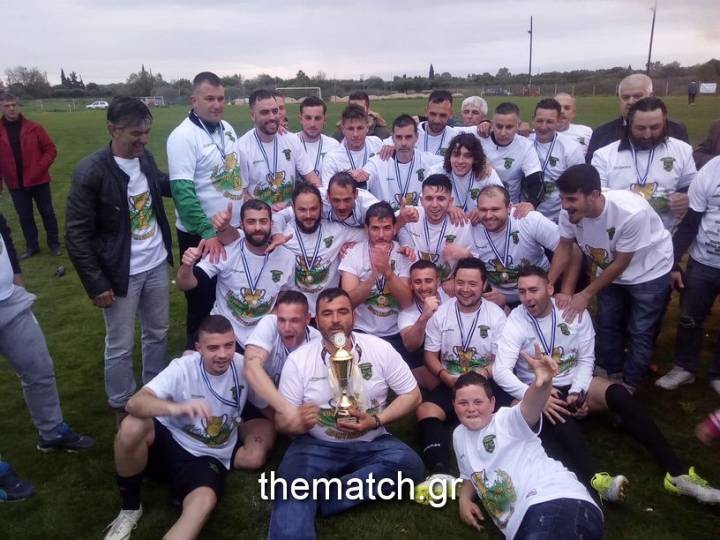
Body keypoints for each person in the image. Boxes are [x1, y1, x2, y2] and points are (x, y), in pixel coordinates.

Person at [494, 266, 720, 506]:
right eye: (521, 292)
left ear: (549, 289)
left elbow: (586, 359)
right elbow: (500, 371)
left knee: (619, 394)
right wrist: (537, 395)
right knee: (560, 416)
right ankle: (598, 481)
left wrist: (578, 391)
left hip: (576, 381)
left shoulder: (573, 311)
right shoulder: (516, 320)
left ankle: (676, 474)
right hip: (540, 387)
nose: (527, 298)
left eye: (533, 290)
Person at [268, 288, 423, 539]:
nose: (335, 320)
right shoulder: (299, 360)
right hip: (316, 444)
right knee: (292, 485)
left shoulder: (380, 349)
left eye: (342, 312)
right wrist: (296, 423)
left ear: (354, 316)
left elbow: (413, 395)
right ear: (316, 321)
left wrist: (376, 420)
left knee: (409, 465)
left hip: (372, 441)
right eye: (327, 313)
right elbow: (281, 422)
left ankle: (328, 497)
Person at [103, 315, 262, 540]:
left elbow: (266, 403)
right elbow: (134, 403)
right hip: (171, 440)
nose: (223, 354)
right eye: (213, 348)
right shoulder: (183, 367)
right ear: (198, 348)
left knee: (204, 503)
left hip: (207, 456)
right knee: (132, 426)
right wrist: (177, 408)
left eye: (228, 345)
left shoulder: (243, 365)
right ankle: (130, 508)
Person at [66, 97, 173, 418]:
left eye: (146, 132)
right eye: (135, 134)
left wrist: (187, 182)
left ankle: (153, 390)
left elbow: (159, 183)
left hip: (156, 264)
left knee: (157, 333)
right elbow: (76, 234)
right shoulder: (91, 172)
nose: (143, 140)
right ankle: (122, 404)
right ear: (113, 130)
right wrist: (96, 283)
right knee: (120, 345)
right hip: (120, 272)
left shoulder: (144, 157)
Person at [549, 164, 673, 391]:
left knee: (640, 329)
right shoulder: (570, 212)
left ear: (594, 195)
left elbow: (621, 263)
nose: (565, 205)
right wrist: (548, 283)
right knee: (607, 323)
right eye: (562, 199)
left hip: (649, 270)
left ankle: (630, 384)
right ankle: (610, 372)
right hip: (607, 267)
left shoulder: (631, 213)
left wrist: (586, 294)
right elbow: (565, 247)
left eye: (572, 199)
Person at [452, 367, 604, 539]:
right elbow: (470, 475)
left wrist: (542, 383)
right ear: (454, 405)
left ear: (492, 403)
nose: (471, 408)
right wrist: (464, 500)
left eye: (478, 402)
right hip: (524, 522)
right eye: (463, 403)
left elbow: (530, 407)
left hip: (553, 499)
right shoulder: (459, 436)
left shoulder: (505, 420)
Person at [1, 213, 94, 452]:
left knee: (39, 367)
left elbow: (3, 233)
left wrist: (16, 276)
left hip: (9, 299)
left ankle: (51, 432)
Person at [416, 257, 507, 502]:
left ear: (484, 285)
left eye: (473, 284)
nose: (465, 289)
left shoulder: (496, 316)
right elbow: (430, 356)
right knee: (426, 410)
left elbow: (501, 359)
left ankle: (499, 467)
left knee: (511, 411)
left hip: (486, 382)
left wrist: (483, 375)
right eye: (460, 283)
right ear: (453, 282)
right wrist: (445, 376)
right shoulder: (441, 313)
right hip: (451, 381)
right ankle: (440, 471)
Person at [167, 72, 244, 345]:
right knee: (202, 303)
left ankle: (229, 353)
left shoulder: (227, 128)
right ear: (194, 100)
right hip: (201, 235)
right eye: (209, 99)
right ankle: (195, 355)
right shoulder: (183, 136)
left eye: (221, 98)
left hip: (232, 232)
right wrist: (207, 232)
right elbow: (182, 193)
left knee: (230, 296)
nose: (217, 104)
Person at [176, 199, 295, 352]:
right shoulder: (227, 251)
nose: (258, 227)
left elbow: (284, 296)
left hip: (260, 335)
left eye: (263, 221)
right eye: (251, 222)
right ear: (242, 225)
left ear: (271, 224)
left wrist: (269, 325)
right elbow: (184, 285)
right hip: (222, 329)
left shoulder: (287, 258)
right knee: (189, 359)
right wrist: (187, 266)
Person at [449, 185, 577, 309]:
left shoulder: (527, 219)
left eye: (495, 209)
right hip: (498, 300)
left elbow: (574, 251)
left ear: (509, 207)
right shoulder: (471, 228)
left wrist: (563, 291)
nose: (488, 215)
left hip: (540, 293)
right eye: (483, 210)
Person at [656, 155, 720, 394]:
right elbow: (691, 222)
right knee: (689, 318)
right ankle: (684, 367)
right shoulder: (711, 171)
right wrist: (672, 263)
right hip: (703, 263)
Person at [591, 96, 696, 232]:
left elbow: (693, 189)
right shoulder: (603, 155)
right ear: (629, 124)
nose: (647, 134)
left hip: (667, 236)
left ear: (664, 122)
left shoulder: (682, 150)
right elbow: (597, 199)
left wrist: (686, 198)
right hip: (620, 236)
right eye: (640, 128)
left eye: (655, 127)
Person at [242, 292, 322, 467]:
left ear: (307, 319)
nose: (286, 327)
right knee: (256, 454)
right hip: (260, 406)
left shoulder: (317, 342)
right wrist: (286, 412)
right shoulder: (269, 324)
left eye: (294, 321)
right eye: (282, 320)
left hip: (295, 405)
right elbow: (251, 368)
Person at [279, 184, 366, 316]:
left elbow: (371, 236)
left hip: (328, 312)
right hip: (295, 314)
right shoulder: (283, 236)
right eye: (302, 210)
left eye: (313, 209)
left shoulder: (337, 231)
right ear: (293, 208)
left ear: (321, 207)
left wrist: (351, 245)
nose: (308, 215)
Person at [339, 201, 413, 353]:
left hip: (396, 332)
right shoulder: (353, 253)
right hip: (362, 331)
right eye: (375, 228)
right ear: (366, 229)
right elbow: (348, 302)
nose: (381, 235)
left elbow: (406, 302)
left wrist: (387, 272)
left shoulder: (403, 254)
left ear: (394, 228)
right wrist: (373, 275)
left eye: (386, 228)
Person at [238, 89, 321, 210]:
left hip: (291, 212)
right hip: (260, 216)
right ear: (252, 115)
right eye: (265, 112)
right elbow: (241, 193)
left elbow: (311, 177)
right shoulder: (242, 147)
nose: (272, 117)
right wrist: (265, 211)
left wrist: (319, 197)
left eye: (275, 111)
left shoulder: (292, 140)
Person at [0, 92, 60, 258]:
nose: (11, 108)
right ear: (1, 108)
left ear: (19, 106)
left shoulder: (34, 128)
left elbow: (50, 149)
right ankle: (32, 246)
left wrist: (40, 168)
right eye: (7, 106)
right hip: (15, 183)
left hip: (39, 180)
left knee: (47, 213)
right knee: (25, 217)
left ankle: (54, 244)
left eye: (14, 105)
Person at [586, 73, 689, 163]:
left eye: (637, 96)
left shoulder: (675, 129)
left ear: (652, 96)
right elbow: (592, 172)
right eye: (625, 97)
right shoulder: (601, 133)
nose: (630, 101)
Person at [397, 174, 474, 284]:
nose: (434, 204)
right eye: (429, 198)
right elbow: (383, 228)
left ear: (450, 202)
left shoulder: (462, 224)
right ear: (421, 200)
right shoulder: (410, 214)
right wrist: (400, 219)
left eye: (441, 199)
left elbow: (476, 264)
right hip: (415, 284)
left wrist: (466, 255)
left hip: (446, 286)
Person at [363, 114, 443, 210]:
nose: (403, 143)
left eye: (408, 137)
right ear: (392, 138)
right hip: (386, 219)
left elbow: (453, 162)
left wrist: (450, 206)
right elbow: (360, 186)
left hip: (417, 219)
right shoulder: (377, 162)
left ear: (417, 137)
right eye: (399, 137)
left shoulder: (429, 161)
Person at [529, 98, 585, 222]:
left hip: (557, 218)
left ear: (558, 121)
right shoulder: (523, 141)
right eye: (539, 121)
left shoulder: (571, 148)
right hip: (526, 215)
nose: (543, 126)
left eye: (549, 121)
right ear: (533, 119)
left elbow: (579, 186)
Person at [480, 102, 544, 207]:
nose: (503, 132)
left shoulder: (525, 146)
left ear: (518, 126)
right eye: (499, 126)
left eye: (509, 127)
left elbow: (536, 181)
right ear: (492, 124)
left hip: (510, 206)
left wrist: (531, 204)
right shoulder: (480, 139)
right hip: (481, 205)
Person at [398, 260, 448, 387]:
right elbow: (410, 346)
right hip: (424, 360)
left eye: (428, 281)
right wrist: (424, 317)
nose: (424, 287)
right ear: (411, 285)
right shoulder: (407, 313)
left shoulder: (450, 296)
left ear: (438, 282)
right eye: (418, 282)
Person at [428, 133, 503, 219]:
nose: (460, 161)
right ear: (449, 157)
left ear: (475, 159)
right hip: (446, 223)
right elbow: (423, 201)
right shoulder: (437, 171)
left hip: (477, 224)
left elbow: (502, 199)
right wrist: (446, 207)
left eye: (467, 156)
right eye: (456, 155)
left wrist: (483, 209)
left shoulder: (485, 172)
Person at [322, 104, 383, 187]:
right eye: (350, 129)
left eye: (360, 128)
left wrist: (391, 146)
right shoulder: (332, 158)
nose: (355, 134)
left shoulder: (377, 143)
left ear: (367, 127)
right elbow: (328, 191)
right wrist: (347, 177)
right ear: (343, 129)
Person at [296, 96, 339, 177]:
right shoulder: (290, 143)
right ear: (300, 119)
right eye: (308, 118)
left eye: (317, 118)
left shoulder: (334, 146)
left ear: (325, 120)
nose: (312, 124)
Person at [416, 90, 460, 156]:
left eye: (443, 115)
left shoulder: (456, 136)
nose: (437, 120)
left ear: (450, 114)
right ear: (426, 111)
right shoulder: (410, 134)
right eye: (433, 114)